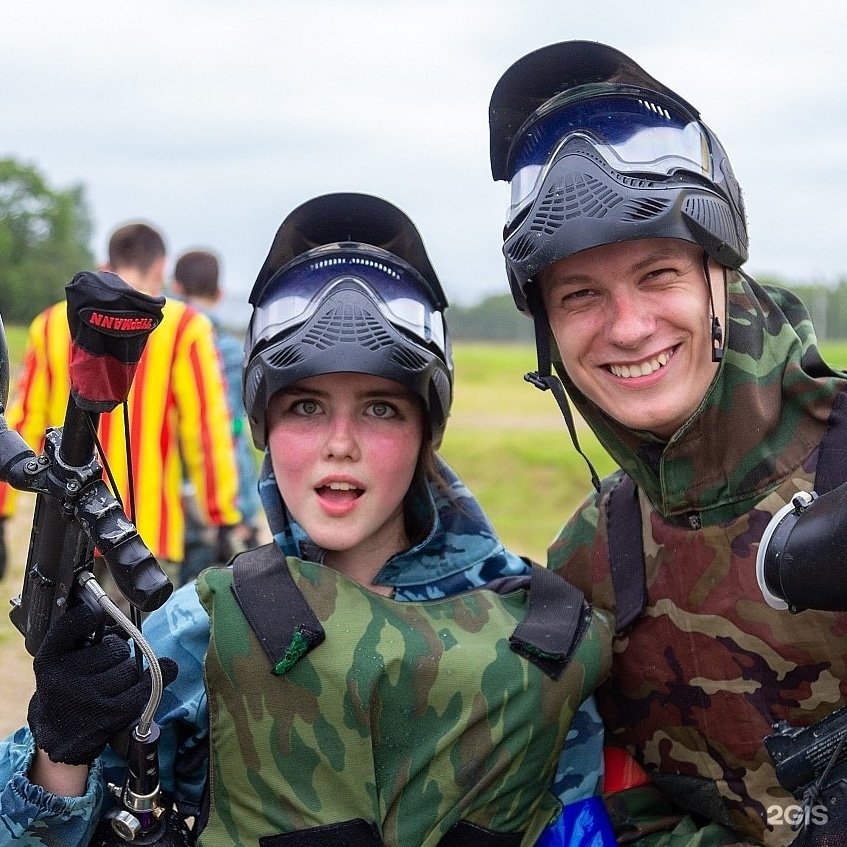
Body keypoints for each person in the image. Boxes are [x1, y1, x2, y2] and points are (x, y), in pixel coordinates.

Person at [0, 193, 615, 846]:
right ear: (264, 426)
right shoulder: (200, 626)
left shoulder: (547, 637)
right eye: (305, 407)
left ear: (425, 430)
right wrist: (60, 749)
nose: (339, 442)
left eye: (380, 407)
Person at [488, 40, 847, 846]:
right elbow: (633, 812)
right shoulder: (588, 556)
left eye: (657, 276)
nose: (626, 326)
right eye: (580, 294)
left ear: (720, 278)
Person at [0, 222, 241, 582]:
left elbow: (19, 425)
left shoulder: (51, 323)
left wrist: (2, 513)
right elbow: (207, 433)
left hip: (63, 534)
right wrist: (222, 518)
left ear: (109, 262)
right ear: (160, 265)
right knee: (142, 639)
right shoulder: (185, 328)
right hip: (144, 543)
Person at [170, 248, 264, 584]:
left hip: (165, 494)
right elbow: (230, 433)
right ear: (220, 293)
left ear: (175, 287)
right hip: (214, 495)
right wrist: (241, 510)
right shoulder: (229, 351)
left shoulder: (157, 342)